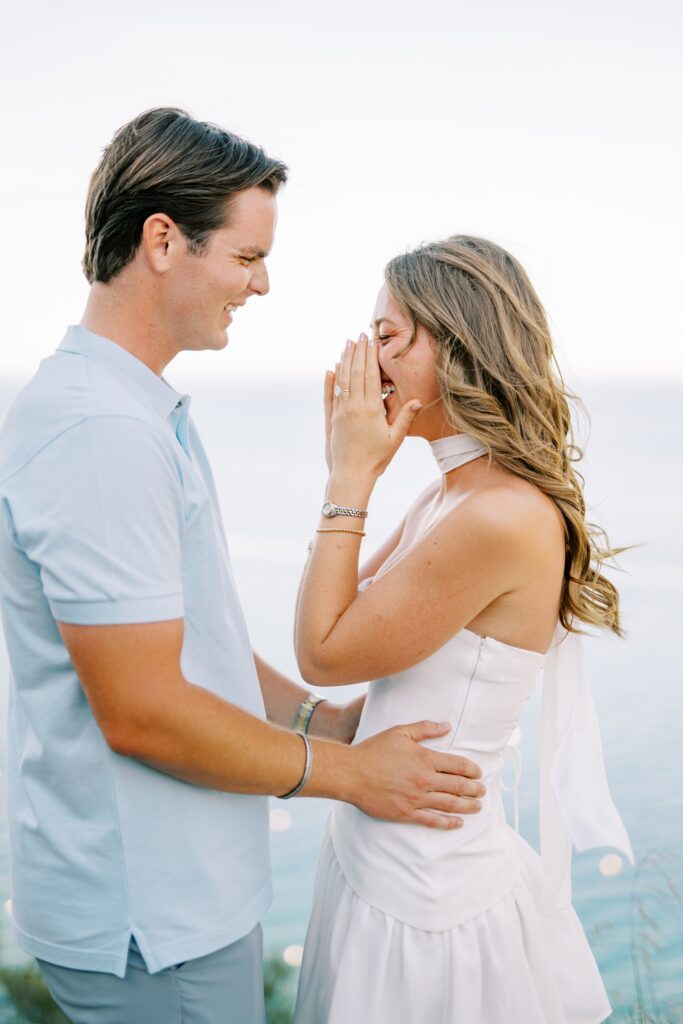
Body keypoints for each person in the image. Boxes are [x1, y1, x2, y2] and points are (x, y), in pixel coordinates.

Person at [0, 109, 486, 1024]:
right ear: (162, 242)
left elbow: (192, 646)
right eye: (247, 256)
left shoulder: (131, 411)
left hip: (172, 903)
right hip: (156, 920)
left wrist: (322, 721)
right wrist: (352, 775)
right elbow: (143, 711)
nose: (262, 284)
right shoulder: (102, 431)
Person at [292, 235, 634, 1023]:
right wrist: (354, 473)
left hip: (424, 900)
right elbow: (335, 617)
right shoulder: (449, 494)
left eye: (386, 337)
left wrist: (348, 475)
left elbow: (322, 650)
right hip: (376, 860)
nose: (366, 361)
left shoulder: (497, 515)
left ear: (454, 344)